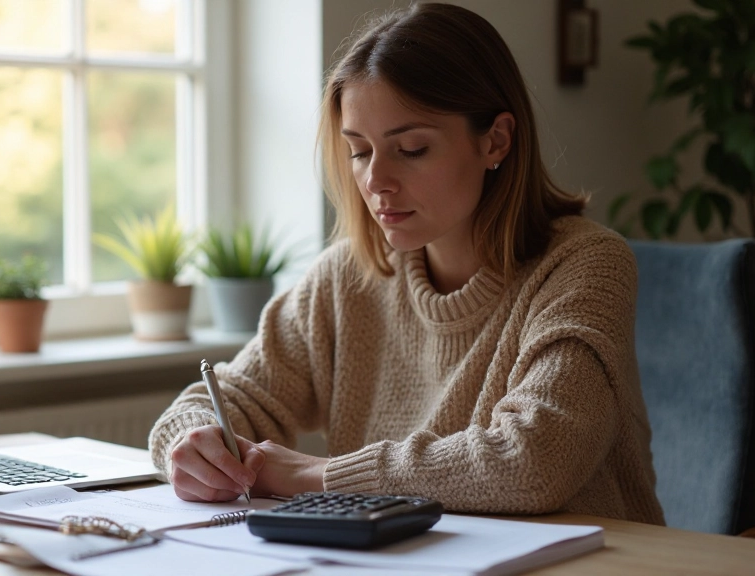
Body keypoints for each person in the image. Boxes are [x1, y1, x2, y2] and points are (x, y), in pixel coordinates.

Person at [148, 2, 665, 525]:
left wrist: (316, 476)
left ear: (496, 140)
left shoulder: (585, 264)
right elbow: (227, 397)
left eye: (411, 148)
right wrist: (193, 447)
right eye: (358, 151)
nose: (375, 181)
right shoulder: (347, 277)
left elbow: (534, 460)